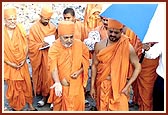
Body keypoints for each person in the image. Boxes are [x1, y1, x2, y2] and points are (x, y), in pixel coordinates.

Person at [90, 18, 141, 111]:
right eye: (111, 31)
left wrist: (128, 85)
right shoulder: (99, 45)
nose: (113, 34)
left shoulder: (127, 47)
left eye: (116, 32)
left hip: (120, 87)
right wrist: (92, 86)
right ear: (107, 29)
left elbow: (137, 66)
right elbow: (94, 65)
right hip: (103, 85)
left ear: (121, 31)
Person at [48, 21, 89, 111]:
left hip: (77, 89)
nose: (69, 40)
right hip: (62, 89)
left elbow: (86, 62)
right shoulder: (54, 47)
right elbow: (53, 66)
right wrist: (57, 82)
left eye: (71, 37)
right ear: (60, 36)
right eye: (66, 38)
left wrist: (79, 71)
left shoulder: (79, 44)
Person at [4, 7, 37, 111]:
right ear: (5, 20)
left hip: (22, 63)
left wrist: (24, 59)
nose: (13, 21)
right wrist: (10, 63)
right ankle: (17, 106)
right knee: (13, 87)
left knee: (26, 84)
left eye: (14, 19)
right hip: (10, 65)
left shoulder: (20, 29)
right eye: (10, 19)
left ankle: (30, 104)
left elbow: (26, 45)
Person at [28, 5, 57, 107]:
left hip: (51, 56)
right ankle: (44, 98)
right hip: (40, 57)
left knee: (52, 77)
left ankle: (53, 99)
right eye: (45, 19)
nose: (47, 21)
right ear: (40, 17)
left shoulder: (53, 28)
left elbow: (57, 41)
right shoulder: (34, 28)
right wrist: (41, 45)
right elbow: (31, 45)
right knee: (45, 78)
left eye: (49, 19)